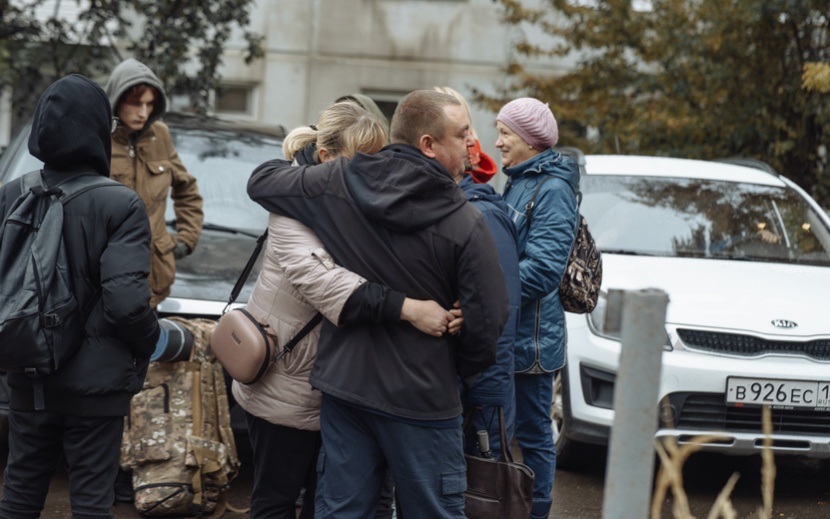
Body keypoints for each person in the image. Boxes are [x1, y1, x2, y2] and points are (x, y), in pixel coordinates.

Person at [247, 89, 509, 518]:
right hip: (420, 398)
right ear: (427, 143)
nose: (472, 145)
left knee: (343, 511)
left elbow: (262, 181)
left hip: (347, 390)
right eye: (462, 134)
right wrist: (453, 361)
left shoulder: (339, 183)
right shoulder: (466, 222)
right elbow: (490, 322)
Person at [0, 75, 161, 519]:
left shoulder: (12, 195)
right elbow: (127, 304)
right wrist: (155, 342)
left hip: (27, 369)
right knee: (92, 499)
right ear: (97, 131)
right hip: (97, 384)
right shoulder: (121, 204)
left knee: (20, 490)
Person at [496, 97, 580, 519]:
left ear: (530, 140)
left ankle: (535, 512)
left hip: (531, 343)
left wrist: (490, 295)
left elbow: (544, 269)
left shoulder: (553, 189)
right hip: (511, 330)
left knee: (531, 436)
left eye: (506, 133)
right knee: (499, 433)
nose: (498, 142)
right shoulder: (519, 179)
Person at [433, 86, 521, 459]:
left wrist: (486, 404)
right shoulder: (438, 208)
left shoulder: (481, 215)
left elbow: (499, 316)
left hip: (479, 400)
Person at [105, 57, 204, 309]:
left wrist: (184, 241)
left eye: (150, 104)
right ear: (116, 100)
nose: (143, 112)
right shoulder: (98, 138)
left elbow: (187, 190)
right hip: (105, 281)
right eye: (136, 103)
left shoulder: (159, 135)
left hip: (153, 283)